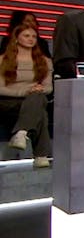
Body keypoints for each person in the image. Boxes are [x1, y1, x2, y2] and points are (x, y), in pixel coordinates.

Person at [0, 24, 53, 168]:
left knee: (38, 98)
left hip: (32, 101)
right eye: (26, 36)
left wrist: (40, 89)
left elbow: (49, 87)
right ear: (16, 39)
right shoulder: (2, 60)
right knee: (39, 109)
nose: (31, 39)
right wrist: (25, 91)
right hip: (8, 102)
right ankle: (41, 155)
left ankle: (21, 133)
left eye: (34, 37)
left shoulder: (45, 61)